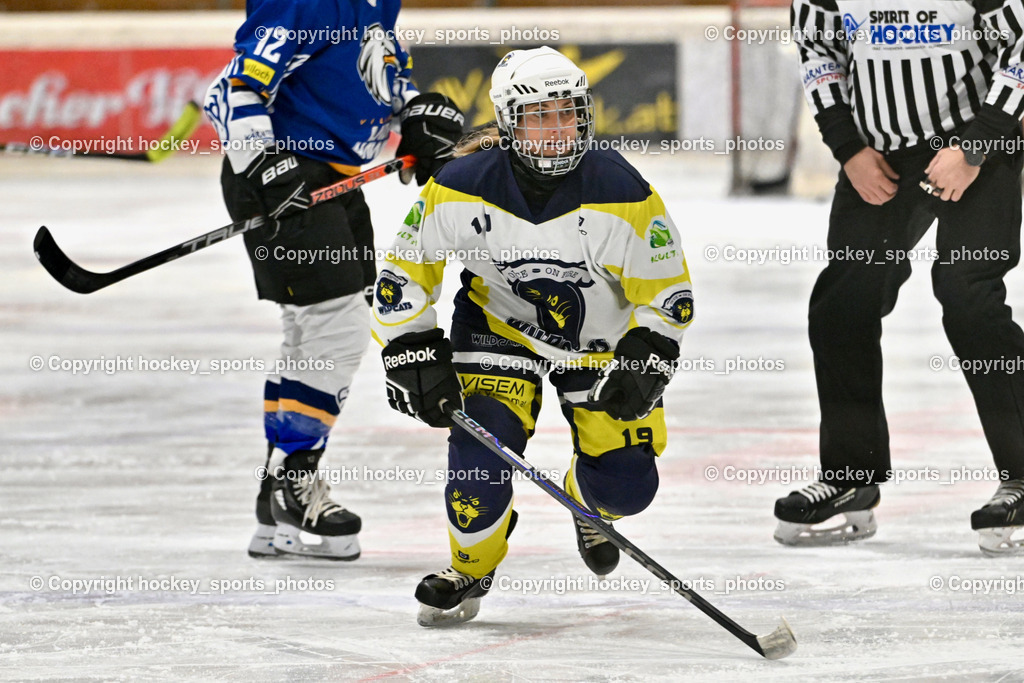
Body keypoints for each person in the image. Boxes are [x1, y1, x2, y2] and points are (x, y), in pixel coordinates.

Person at [370, 46, 694, 625]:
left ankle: (586, 497)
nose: (558, 129)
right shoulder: (460, 183)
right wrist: (409, 346)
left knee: (626, 490)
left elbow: (665, 290)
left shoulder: (623, 190)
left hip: (599, 340)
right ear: (509, 121)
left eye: (568, 113)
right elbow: (405, 272)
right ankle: (469, 567)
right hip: (498, 327)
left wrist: (649, 351)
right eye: (541, 115)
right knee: (479, 460)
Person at [203, 0, 463, 560]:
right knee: (337, 327)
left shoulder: (377, 6)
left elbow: (373, 83)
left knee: (314, 330)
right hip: (288, 177)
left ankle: (277, 496)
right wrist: (264, 165)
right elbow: (232, 91)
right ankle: (294, 481)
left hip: (332, 180)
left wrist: (417, 114)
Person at [776, 0, 1024, 554]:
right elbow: (819, 48)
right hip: (878, 154)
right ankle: (851, 478)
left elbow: (1021, 44)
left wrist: (977, 143)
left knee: (969, 298)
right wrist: (848, 148)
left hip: (974, 149)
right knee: (843, 305)